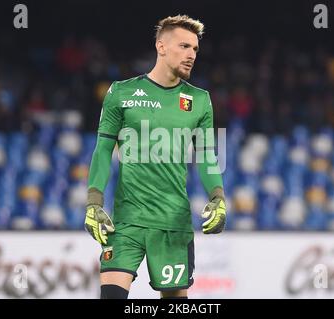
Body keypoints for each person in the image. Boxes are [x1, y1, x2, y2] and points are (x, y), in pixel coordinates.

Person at [84, 15, 226, 299]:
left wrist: (218, 197)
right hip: (126, 222)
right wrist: (94, 202)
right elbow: (102, 150)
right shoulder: (121, 93)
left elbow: (207, 157)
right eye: (184, 46)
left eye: (195, 49)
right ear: (161, 47)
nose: (191, 55)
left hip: (174, 224)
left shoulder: (200, 100)